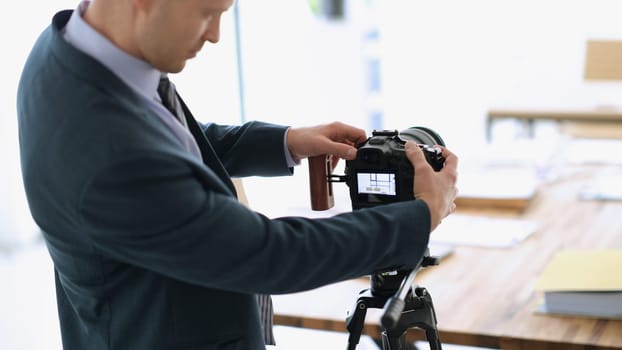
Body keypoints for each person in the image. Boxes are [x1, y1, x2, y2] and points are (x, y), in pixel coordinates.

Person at [16, 0, 458, 349]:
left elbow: (172, 142)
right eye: (208, 13)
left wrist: (287, 142)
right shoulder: (108, 150)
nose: (214, 35)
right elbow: (268, 255)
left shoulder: (71, 51)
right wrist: (421, 216)